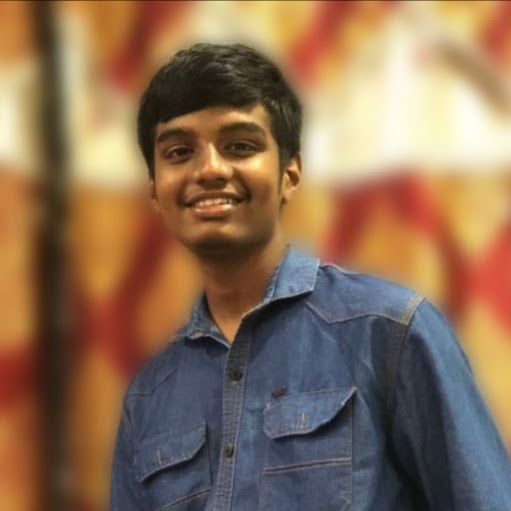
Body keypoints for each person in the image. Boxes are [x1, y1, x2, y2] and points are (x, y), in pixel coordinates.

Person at [110, 43, 511, 511]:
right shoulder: (149, 399)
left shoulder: (390, 333)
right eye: (180, 152)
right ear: (155, 190)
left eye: (240, 146)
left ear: (290, 173)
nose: (210, 169)